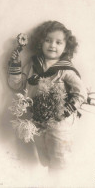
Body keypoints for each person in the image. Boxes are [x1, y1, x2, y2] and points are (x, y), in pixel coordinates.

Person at [8, 21, 87, 172]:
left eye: (59, 42)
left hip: (60, 122)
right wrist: (15, 64)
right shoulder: (33, 65)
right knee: (43, 156)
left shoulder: (65, 69)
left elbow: (81, 92)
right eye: (48, 40)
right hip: (36, 120)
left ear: (66, 47)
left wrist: (65, 111)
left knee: (60, 157)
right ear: (40, 42)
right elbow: (16, 85)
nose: (52, 45)